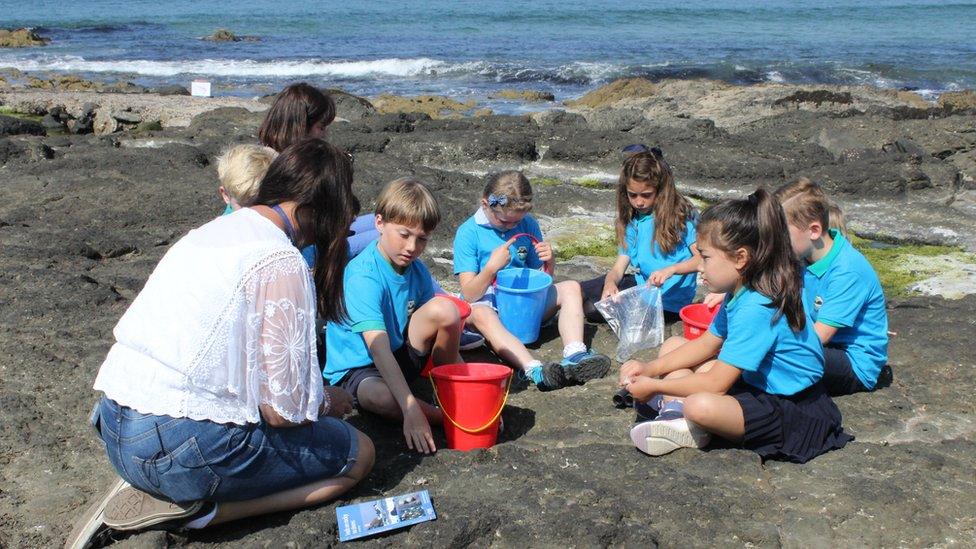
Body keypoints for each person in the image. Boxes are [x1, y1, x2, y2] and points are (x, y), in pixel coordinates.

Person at [66, 139, 374, 548]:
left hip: (115, 424)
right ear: (313, 210)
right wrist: (328, 402)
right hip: (173, 447)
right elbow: (284, 411)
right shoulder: (280, 261)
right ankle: (202, 512)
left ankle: (155, 483)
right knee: (359, 454)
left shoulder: (210, 231)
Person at [619, 189, 853, 463]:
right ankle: (675, 414)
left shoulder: (757, 307)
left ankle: (684, 418)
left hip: (793, 408)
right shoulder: (741, 291)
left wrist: (655, 387)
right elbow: (708, 342)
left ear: (741, 258)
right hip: (759, 385)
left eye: (705, 258)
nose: (700, 268)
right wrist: (648, 369)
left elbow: (716, 384)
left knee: (699, 404)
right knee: (673, 347)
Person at [260, 82, 483, 350]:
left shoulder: (283, 154)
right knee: (386, 236)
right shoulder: (279, 164)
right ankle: (448, 311)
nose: (325, 135)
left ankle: (447, 303)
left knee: (391, 225)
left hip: (318, 236)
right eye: (321, 127)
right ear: (300, 126)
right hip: (311, 249)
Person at [324, 177, 461, 455]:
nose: (412, 247)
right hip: (358, 369)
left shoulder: (417, 270)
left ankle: (452, 388)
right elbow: (378, 348)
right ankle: (446, 418)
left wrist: (468, 377)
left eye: (421, 239)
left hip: (400, 353)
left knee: (447, 309)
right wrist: (411, 410)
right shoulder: (364, 276)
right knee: (382, 398)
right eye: (404, 234)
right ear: (379, 224)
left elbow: (429, 321)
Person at [453, 170, 611, 391]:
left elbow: (541, 281)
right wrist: (491, 268)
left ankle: (575, 353)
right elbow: (469, 294)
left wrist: (550, 262)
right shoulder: (469, 233)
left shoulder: (527, 224)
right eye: (504, 221)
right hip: (490, 305)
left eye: (516, 221)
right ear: (485, 204)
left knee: (572, 287)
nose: (511, 226)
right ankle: (533, 368)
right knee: (479, 313)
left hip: (525, 307)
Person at [775, 178, 889, 396]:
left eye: (781, 235)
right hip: (825, 347)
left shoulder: (847, 270)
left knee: (777, 356)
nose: (775, 242)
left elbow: (819, 338)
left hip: (853, 362)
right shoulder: (802, 254)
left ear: (814, 230)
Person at [581, 145, 704, 322]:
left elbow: (702, 259)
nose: (639, 202)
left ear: (660, 189)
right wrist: (610, 283)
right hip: (642, 287)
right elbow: (618, 268)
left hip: (668, 302)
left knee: (591, 309)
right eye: (633, 195)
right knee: (578, 293)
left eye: (646, 195)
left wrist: (671, 270)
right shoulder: (633, 221)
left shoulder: (682, 215)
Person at [216, 144, 278, 214]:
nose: (253, 213)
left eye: (260, 204)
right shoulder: (226, 223)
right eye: (243, 207)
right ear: (226, 196)